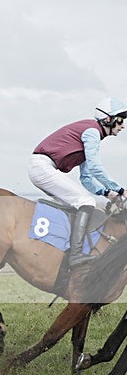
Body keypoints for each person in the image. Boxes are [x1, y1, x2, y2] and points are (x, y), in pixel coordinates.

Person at [29, 97, 127, 267]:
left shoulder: (92, 133)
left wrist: (107, 193)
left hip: (41, 167)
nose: (122, 125)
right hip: (43, 167)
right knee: (86, 201)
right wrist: (120, 190)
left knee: (78, 204)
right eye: (120, 120)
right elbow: (96, 168)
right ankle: (75, 255)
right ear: (107, 119)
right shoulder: (92, 132)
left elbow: (86, 178)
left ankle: (64, 250)